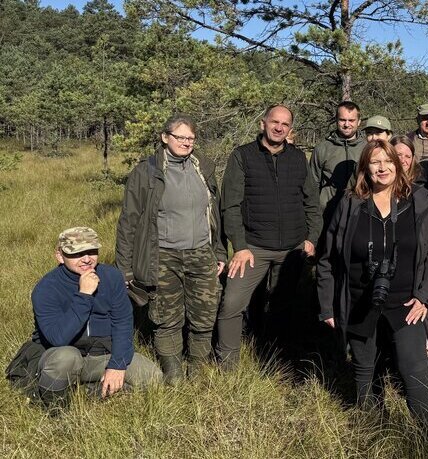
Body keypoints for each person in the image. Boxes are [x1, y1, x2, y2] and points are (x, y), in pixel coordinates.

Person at [317, 140, 428, 440]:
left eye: (388, 161)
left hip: (406, 304)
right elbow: (328, 257)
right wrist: (327, 305)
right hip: (359, 299)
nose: (382, 167)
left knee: (414, 369)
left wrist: (424, 297)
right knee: (364, 369)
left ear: (398, 166)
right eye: (375, 162)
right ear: (365, 168)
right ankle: (372, 432)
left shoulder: (418, 200)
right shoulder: (350, 204)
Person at [115, 115, 225, 382]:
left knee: (205, 315)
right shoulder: (146, 172)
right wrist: (125, 267)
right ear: (165, 137)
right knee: (166, 317)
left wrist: (220, 251)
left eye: (191, 138)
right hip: (162, 256)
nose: (186, 143)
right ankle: (173, 373)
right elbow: (129, 221)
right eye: (180, 137)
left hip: (201, 253)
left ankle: (197, 369)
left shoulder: (203, 168)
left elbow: (215, 215)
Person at [217, 105, 321, 368]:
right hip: (253, 248)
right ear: (263, 123)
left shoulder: (298, 158)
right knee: (232, 304)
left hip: (292, 249)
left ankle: (274, 359)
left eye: (285, 124)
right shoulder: (243, 156)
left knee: (281, 307)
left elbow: (311, 202)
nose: (279, 128)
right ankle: (227, 364)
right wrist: (239, 246)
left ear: (290, 129)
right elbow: (230, 206)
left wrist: (312, 238)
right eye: (275, 122)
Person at [18, 227, 162, 408]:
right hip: (63, 356)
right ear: (60, 256)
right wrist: (84, 295)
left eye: (92, 251)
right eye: (77, 254)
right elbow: (58, 338)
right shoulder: (46, 288)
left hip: (103, 354)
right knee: (66, 357)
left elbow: (122, 323)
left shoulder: (111, 277)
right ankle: (54, 407)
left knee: (153, 378)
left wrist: (117, 365)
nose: (86, 259)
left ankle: (89, 391)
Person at [308, 101, 366, 221]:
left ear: (359, 122)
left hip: (358, 213)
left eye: (351, 120)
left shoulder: (367, 149)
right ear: (336, 120)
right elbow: (312, 185)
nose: (346, 124)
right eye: (342, 120)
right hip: (327, 214)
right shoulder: (322, 148)